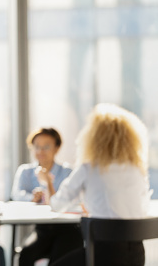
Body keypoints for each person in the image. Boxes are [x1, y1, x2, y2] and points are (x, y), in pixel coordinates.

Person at [49, 103, 151, 266]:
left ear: (93, 138)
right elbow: (141, 208)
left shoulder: (88, 168)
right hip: (136, 255)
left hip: (102, 255)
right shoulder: (136, 170)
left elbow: (57, 204)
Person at [11, 128, 83, 266]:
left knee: (60, 259)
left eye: (46, 147)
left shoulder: (68, 172)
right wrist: (32, 198)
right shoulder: (25, 171)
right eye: (37, 147)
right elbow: (16, 195)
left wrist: (48, 183)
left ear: (56, 148)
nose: (40, 151)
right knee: (25, 256)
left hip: (67, 229)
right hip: (42, 229)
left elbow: (69, 201)